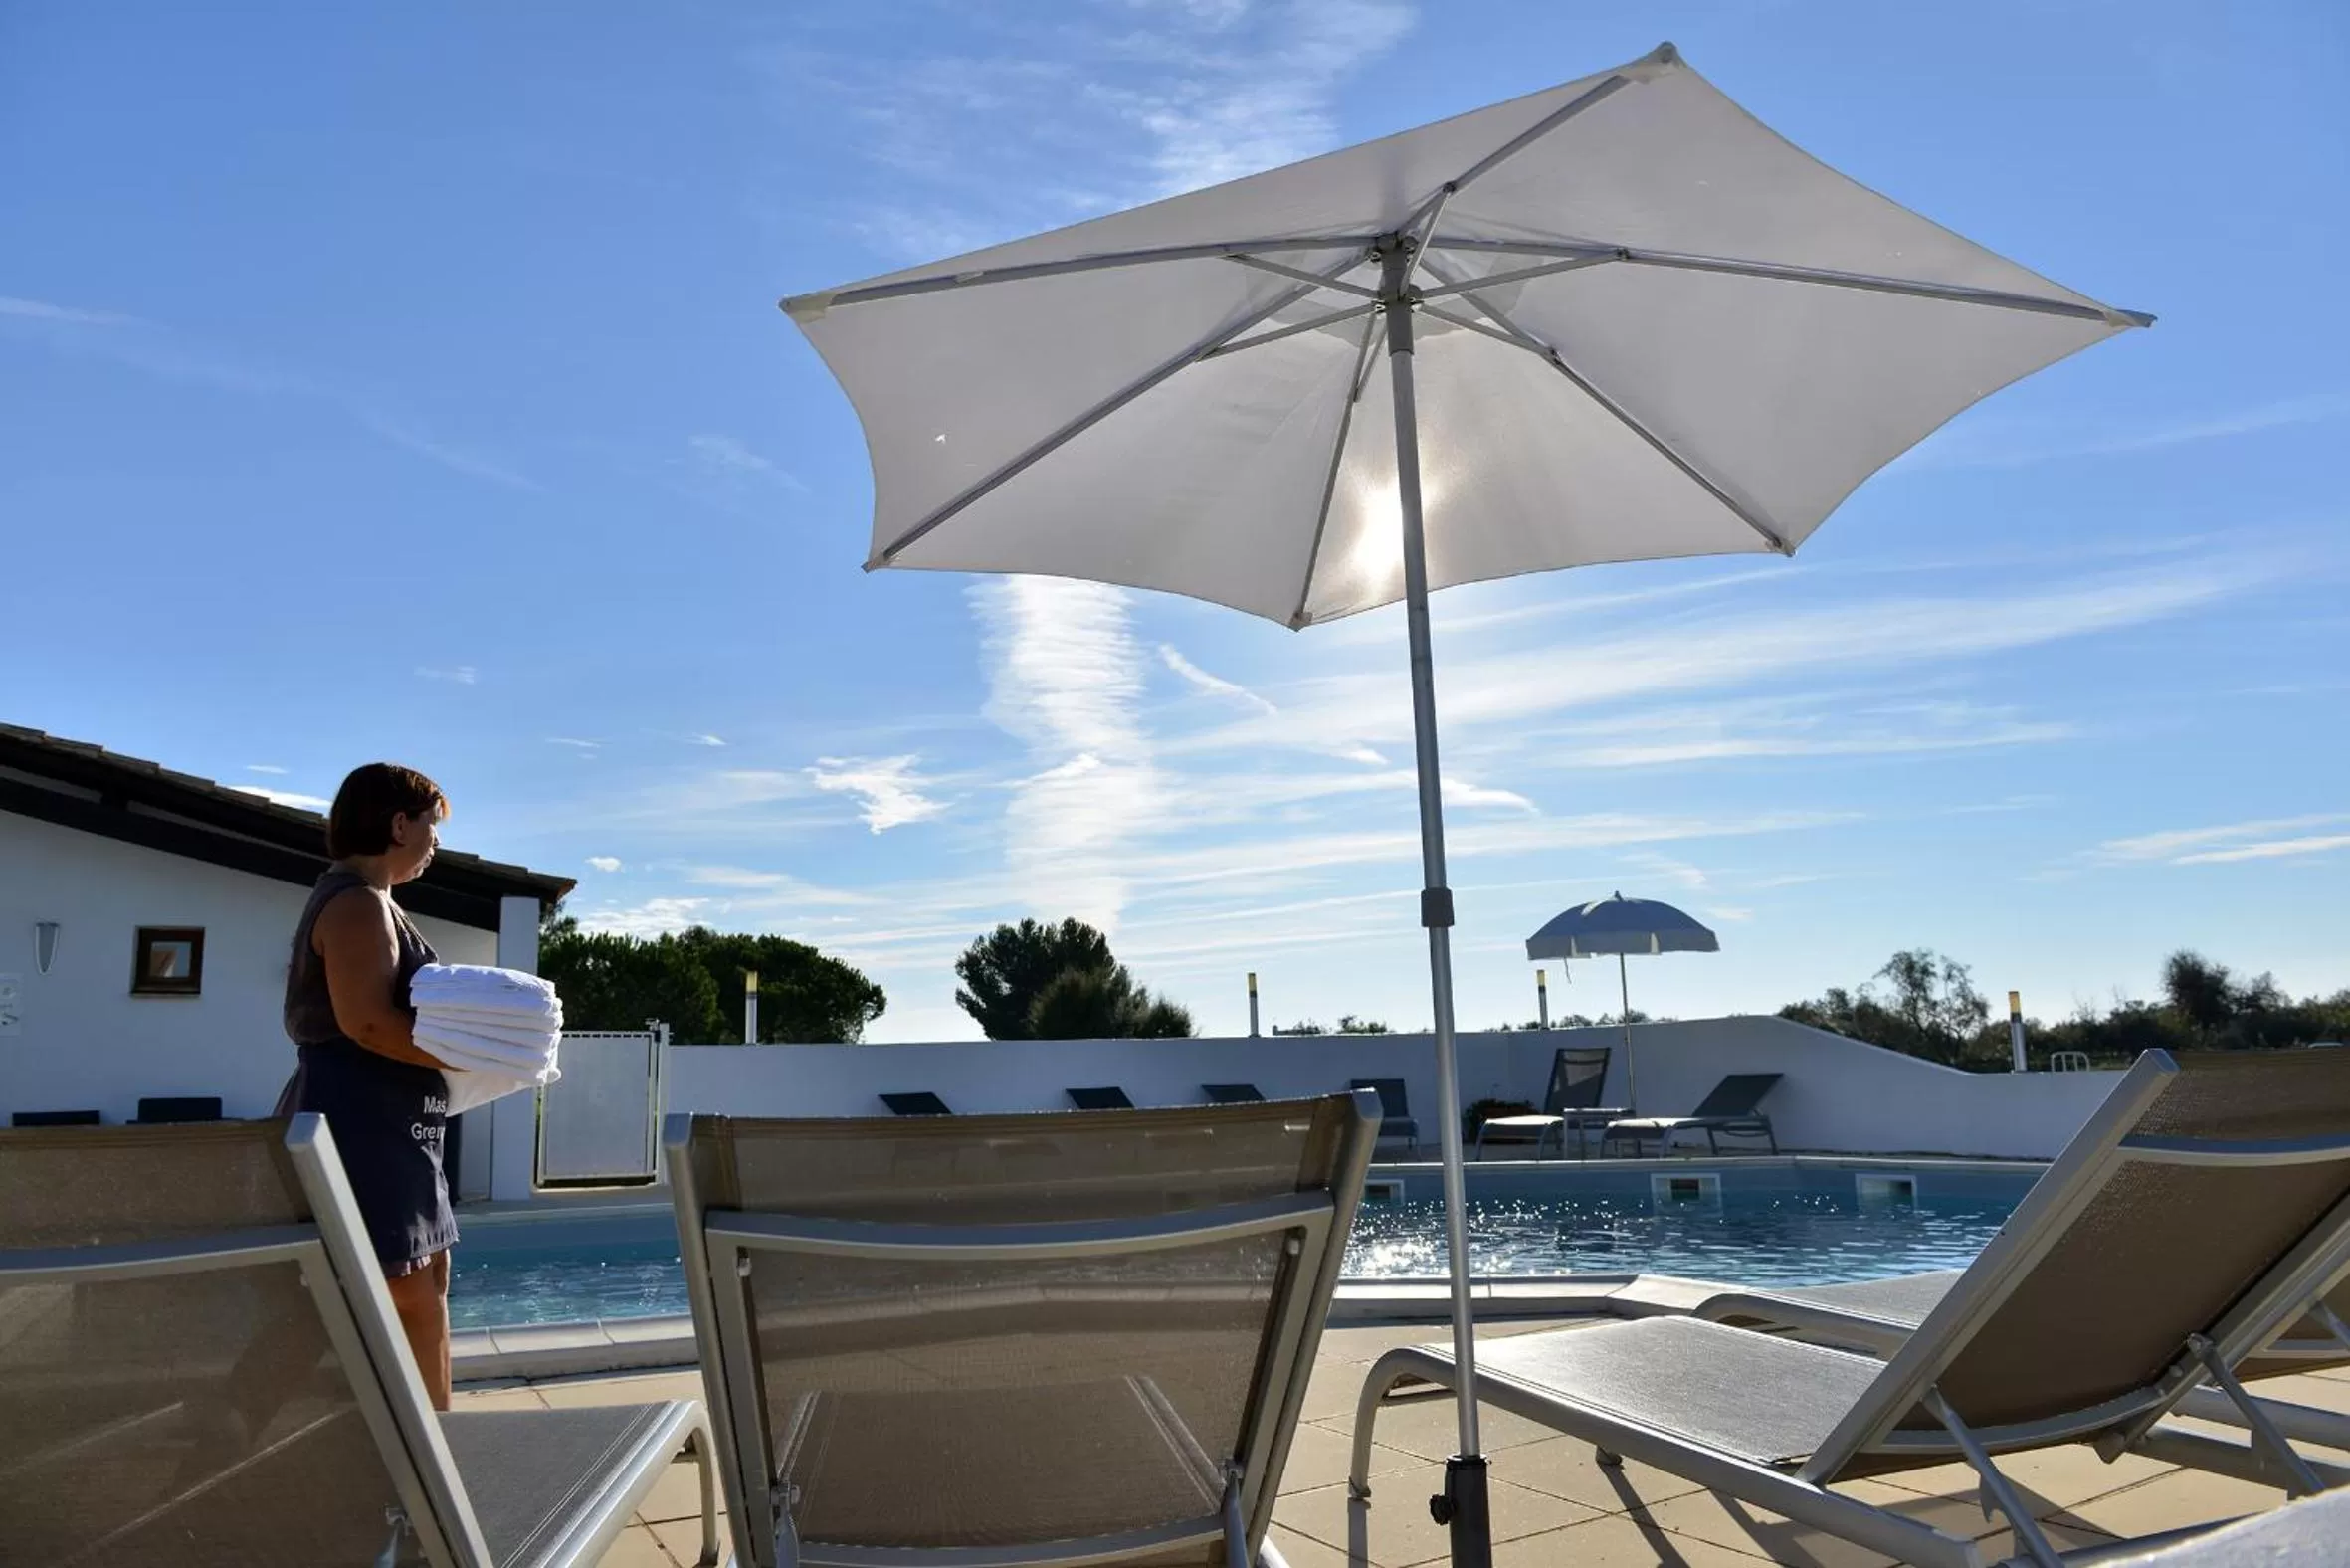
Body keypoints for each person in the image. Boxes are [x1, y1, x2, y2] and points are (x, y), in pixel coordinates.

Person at [278, 762, 459, 1407]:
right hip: (360, 1120)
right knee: (401, 1289)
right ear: (398, 822)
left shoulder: (373, 900)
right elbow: (369, 1024)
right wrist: (473, 1061)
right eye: (431, 828)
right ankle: (426, 1462)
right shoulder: (354, 902)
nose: (435, 843)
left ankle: (439, 1444)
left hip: (394, 1121)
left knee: (427, 1280)